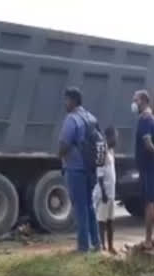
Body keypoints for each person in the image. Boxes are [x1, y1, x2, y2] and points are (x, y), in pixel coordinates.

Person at [59, 87, 100, 252]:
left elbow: (64, 143)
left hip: (76, 168)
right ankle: (96, 243)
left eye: (66, 100)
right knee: (89, 205)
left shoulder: (72, 119)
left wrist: (60, 155)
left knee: (80, 207)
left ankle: (83, 246)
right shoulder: (91, 118)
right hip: (90, 169)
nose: (65, 103)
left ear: (73, 101)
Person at [133, 89, 154, 249]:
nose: (134, 104)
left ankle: (148, 239)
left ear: (144, 101)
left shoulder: (144, 119)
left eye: (136, 100)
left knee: (149, 203)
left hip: (147, 166)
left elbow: (147, 142)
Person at [93, 127, 117, 254]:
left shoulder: (111, 151)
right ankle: (102, 246)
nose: (117, 139)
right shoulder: (102, 150)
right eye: (115, 136)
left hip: (111, 192)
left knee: (111, 220)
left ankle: (111, 246)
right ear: (109, 136)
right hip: (105, 193)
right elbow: (100, 174)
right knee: (101, 221)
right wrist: (103, 193)